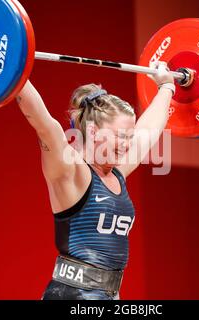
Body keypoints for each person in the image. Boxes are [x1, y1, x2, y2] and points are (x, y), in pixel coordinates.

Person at [16, 61, 175, 300]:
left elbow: (149, 130)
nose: (126, 144)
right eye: (121, 136)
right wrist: (11, 67)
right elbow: (44, 124)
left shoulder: (116, 173)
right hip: (71, 294)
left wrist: (166, 87)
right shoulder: (72, 172)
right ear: (92, 132)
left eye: (129, 137)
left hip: (107, 295)